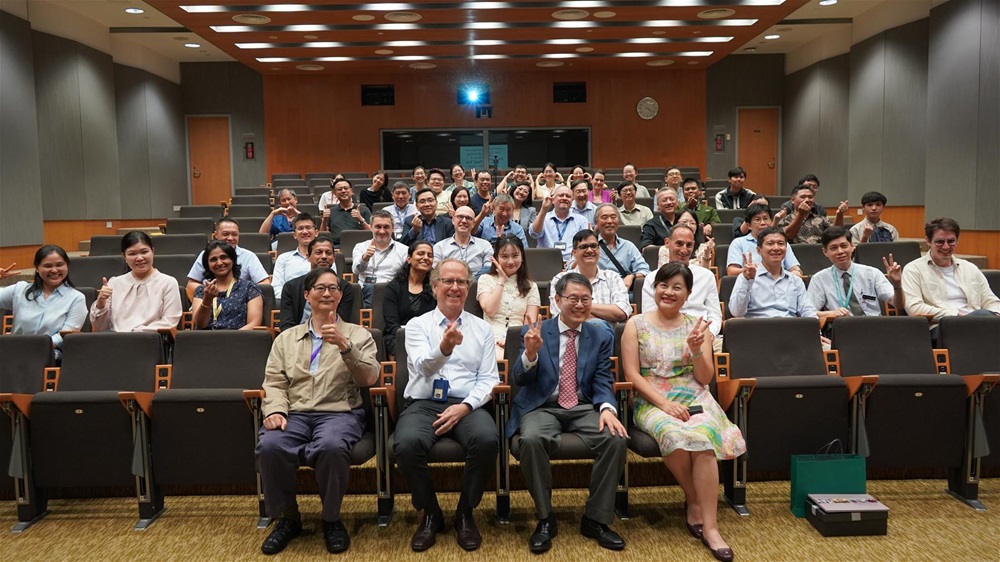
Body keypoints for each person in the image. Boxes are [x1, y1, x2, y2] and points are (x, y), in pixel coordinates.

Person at [622, 262, 746, 562]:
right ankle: (694, 500)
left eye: (677, 287)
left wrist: (695, 350)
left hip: (694, 394)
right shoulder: (635, 324)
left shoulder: (697, 326)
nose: (669, 292)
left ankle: (712, 528)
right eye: (664, 285)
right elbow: (632, 375)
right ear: (654, 289)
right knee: (673, 432)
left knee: (702, 437)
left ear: (688, 293)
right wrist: (664, 405)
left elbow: (705, 378)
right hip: (651, 398)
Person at [256, 266, 379, 555]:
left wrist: (346, 347)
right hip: (295, 413)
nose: (327, 293)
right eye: (320, 288)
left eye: (333, 288)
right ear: (307, 294)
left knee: (332, 446)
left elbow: (370, 378)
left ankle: (331, 518)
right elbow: (274, 381)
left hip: (340, 413)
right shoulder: (286, 338)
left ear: (340, 296)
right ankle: (287, 517)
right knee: (270, 445)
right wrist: (275, 410)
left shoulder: (358, 334)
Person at [508, 272, 628, 554]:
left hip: (583, 405)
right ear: (558, 300)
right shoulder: (536, 330)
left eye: (585, 299)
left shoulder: (600, 334)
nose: (580, 304)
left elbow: (601, 378)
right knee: (532, 439)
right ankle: (545, 518)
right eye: (573, 298)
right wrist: (531, 355)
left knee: (615, 438)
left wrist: (607, 407)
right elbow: (519, 380)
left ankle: (595, 519)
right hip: (542, 405)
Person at [395, 259, 500, 552]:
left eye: (462, 282)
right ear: (435, 285)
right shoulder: (416, 326)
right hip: (424, 402)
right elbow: (422, 368)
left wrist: (465, 407)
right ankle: (431, 513)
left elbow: (489, 379)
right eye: (448, 281)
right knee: (405, 444)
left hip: (467, 404)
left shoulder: (482, 329)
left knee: (487, 440)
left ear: (469, 287)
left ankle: (465, 513)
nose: (455, 287)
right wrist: (445, 348)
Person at [902, 217, 1000, 344]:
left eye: (951, 241)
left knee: (985, 321)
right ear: (928, 241)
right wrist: (956, 316)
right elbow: (914, 308)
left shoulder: (970, 268)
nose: (946, 246)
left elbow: (991, 301)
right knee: (983, 319)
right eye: (940, 242)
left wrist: (994, 315)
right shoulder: (913, 269)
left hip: (979, 322)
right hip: (941, 328)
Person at [0, 245, 86, 359]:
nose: (54, 270)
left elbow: (65, 335)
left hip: (49, 355)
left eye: (59, 265)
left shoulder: (76, 298)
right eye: (47, 266)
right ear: (37, 268)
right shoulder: (19, 290)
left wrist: (34, 348)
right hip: (15, 351)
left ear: (67, 265)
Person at [644, 225, 723, 346]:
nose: (684, 250)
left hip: (701, 334)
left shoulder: (706, 276)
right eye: (679, 244)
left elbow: (714, 314)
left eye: (689, 245)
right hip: (663, 335)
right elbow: (648, 315)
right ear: (667, 243)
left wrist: (709, 333)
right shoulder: (652, 278)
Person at [808, 227, 903, 324]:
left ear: (852, 246)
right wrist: (831, 313)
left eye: (844, 246)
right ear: (825, 252)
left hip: (875, 327)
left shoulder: (872, 273)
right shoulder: (819, 279)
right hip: (842, 329)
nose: (840, 251)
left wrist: (897, 285)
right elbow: (808, 312)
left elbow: (898, 304)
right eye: (833, 248)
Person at [91, 231, 183, 332]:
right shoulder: (114, 283)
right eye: (132, 254)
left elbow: (169, 322)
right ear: (124, 257)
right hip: (116, 341)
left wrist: (137, 333)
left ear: (153, 251)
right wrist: (101, 303)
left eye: (144, 252)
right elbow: (100, 328)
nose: (139, 258)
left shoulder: (168, 282)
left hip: (151, 341)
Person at [549, 230, 630, 334]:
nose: (590, 250)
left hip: (607, 341)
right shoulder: (560, 279)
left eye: (593, 246)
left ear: (599, 250)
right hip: (570, 338)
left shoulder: (612, 277)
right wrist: (605, 315)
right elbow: (559, 316)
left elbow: (622, 312)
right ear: (574, 253)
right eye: (583, 247)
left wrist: (580, 308)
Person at [729, 227, 818, 320]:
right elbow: (737, 312)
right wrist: (747, 281)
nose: (776, 248)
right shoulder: (746, 277)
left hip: (790, 329)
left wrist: (816, 332)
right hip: (758, 329)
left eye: (780, 244)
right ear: (759, 250)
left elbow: (808, 311)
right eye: (770, 244)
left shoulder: (795, 280)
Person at [476, 236, 541, 356]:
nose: (510, 261)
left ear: (522, 258)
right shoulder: (485, 279)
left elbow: (529, 324)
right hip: (490, 338)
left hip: (519, 339)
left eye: (515, 256)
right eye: (505, 257)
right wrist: (501, 280)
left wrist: (512, 340)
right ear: (496, 258)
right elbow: (490, 310)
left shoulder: (531, 286)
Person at [279, 233, 355, 332]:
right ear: (308, 256)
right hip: (297, 338)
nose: (324, 257)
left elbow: (342, 322)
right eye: (318, 252)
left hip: (334, 336)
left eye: (328, 253)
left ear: (334, 258)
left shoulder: (344, 287)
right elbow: (286, 324)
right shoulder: (291, 286)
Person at [186, 218, 270, 297]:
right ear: (216, 235)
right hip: (210, 299)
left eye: (234, 234)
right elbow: (191, 284)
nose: (230, 238)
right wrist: (211, 291)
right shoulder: (206, 254)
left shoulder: (249, 256)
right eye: (225, 234)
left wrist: (241, 294)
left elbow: (265, 284)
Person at [191, 241, 263, 330]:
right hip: (206, 341)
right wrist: (207, 300)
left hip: (238, 340)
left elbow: (254, 324)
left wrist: (228, 339)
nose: (219, 263)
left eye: (223, 257)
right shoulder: (202, 290)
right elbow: (200, 325)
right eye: (213, 259)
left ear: (232, 260)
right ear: (208, 265)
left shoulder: (249, 288)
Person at [383, 240, 436, 355]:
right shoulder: (393, 287)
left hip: (429, 338)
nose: (426, 258)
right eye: (421, 254)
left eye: (430, 255)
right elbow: (391, 325)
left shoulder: (436, 288)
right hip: (399, 337)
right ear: (409, 259)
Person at [726, 203, 804, 277]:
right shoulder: (739, 243)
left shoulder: (780, 242)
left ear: (771, 221)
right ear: (749, 225)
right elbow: (731, 272)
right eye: (757, 219)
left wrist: (796, 272)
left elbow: (795, 268)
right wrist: (751, 271)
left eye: (766, 218)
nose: (763, 223)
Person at [352, 211, 408, 308]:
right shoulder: (360, 247)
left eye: (386, 227)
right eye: (378, 227)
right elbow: (356, 271)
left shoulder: (404, 250)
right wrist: (365, 258)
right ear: (371, 227)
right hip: (364, 292)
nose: (382, 231)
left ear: (392, 228)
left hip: (391, 292)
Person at [593, 204, 649, 297]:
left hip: (623, 291)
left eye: (613, 217)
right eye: (604, 217)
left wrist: (632, 276)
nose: (610, 221)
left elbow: (645, 270)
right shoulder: (590, 246)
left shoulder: (628, 246)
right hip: (597, 292)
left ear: (618, 221)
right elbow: (572, 269)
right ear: (596, 222)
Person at [530, 184, 589, 264]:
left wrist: (573, 262)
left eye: (568, 196)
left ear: (572, 201)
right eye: (561, 195)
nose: (564, 198)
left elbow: (586, 245)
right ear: (553, 199)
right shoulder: (543, 217)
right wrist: (544, 210)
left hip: (573, 265)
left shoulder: (581, 220)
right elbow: (534, 234)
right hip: (546, 263)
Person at [433, 206, 494, 278]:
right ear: (453, 220)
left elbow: (489, 268)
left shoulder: (485, 246)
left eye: (468, 218)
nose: (464, 221)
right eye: (460, 217)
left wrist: (470, 283)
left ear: (474, 223)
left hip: (478, 287)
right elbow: (436, 274)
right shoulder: (440, 247)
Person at [776, 184, 847, 244]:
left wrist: (839, 214)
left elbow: (836, 234)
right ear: (792, 200)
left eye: (810, 197)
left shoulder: (820, 219)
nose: (807, 200)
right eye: (803, 197)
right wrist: (801, 215)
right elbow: (788, 235)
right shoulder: (785, 220)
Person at [271, 213, 318, 300]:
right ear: (295, 235)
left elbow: (333, 285)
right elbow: (276, 288)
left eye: (308, 228)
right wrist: (296, 300)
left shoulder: (325, 258)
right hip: (291, 305)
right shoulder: (283, 258)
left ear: (316, 232)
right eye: (300, 228)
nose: (304, 232)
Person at [321, 178, 372, 246]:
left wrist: (361, 220)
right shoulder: (330, 211)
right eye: (339, 189)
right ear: (335, 193)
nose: (343, 191)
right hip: (336, 246)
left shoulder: (364, 210)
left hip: (360, 246)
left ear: (351, 191)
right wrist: (324, 220)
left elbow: (372, 233)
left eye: (346, 188)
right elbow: (322, 236)